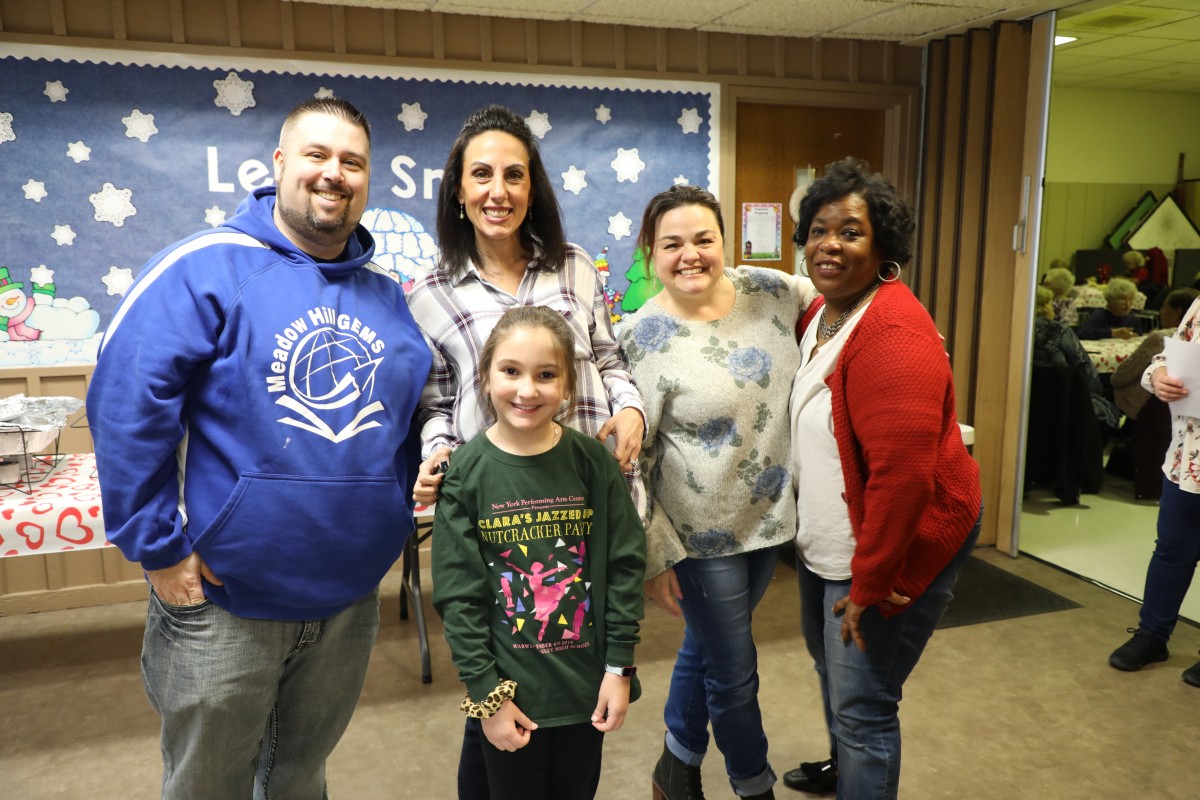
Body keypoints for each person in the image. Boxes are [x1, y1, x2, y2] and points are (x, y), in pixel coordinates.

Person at [85, 98, 432, 798]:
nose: (334, 174)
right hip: (222, 603)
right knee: (208, 786)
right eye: (317, 155)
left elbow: (408, 420)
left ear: (368, 180)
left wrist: (397, 511)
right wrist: (158, 545)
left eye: (352, 162)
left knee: (301, 778)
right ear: (279, 165)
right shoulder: (205, 267)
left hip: (346, 603)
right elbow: (126, 402)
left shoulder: (387, 298)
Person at [405, 104, 646, 800]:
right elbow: (440, 402)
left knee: (578, 659)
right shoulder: (428, 291)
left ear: (533, 186)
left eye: (514, 174)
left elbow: (608, 355)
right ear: (458, 188)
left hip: (588, 490)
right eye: (481, 174)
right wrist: (438, 457)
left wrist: (630, 406)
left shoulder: (572, 265)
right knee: (506, 655)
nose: (498, 190)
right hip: (500, 502)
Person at [782, 159, 982, 799]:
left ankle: (858, 772)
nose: (828, 245)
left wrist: (873, 582)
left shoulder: (894, 334)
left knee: (864, 705)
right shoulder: (825, 313)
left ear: (885, 247)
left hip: (888, 544)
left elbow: (903, 480)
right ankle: (844, 769)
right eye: (817, 230)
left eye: (850, 232)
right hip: (833, 538)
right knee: (833, 675)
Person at [620, 184, 817, 800]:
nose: (691, 255)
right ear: (650, 253)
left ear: (724, 242)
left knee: (705, 648)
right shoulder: (640, 338)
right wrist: (656, 559)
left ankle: (674, 769)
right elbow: (635, 462)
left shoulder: (771, 292)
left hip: (773, 519)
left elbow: (843, 303)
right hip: (701, 537)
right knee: (734, 673)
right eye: (671, 243)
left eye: (704, 239)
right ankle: (751, 785)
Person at [431, 305, 646, 800]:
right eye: (511, 371)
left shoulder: (592, 462)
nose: (527, 390)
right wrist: (487, 695)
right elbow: (458, 597)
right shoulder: (465, 472)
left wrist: (619, 668)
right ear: (485, 378)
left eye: (546, 375)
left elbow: (623, 566)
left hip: (585, 691)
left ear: (568, 385)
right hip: (512, 696)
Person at [1107, 290, 1200, 687]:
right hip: (1187, 458)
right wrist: (1160, 378)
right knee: (1172, 549)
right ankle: (1152, 636)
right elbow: (1167, 359)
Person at [1110, 288, 1199, 499]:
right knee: (1171, 532)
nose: (1160, 310)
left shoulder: (1157, 336)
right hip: (1184, 456)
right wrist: (1159, 375)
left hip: (1158, 421)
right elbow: (1162, 359)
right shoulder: (1197, 307)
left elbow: (1118, 378)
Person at [1031, 286, 1121, 433]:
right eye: (1049, 303)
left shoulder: (1014, 328)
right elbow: (1086, 370)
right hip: (1063, 400)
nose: (1053, 307)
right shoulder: (1059, 330)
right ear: (1043, 307)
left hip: (1028, 400)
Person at [1077, 277, 1144, 340]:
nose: (1128, 304)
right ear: (1110, 300)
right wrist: (1112, 333)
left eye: (1131, 299)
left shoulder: (1133, 319)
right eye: (1122, 299)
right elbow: (1081, 333)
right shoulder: (1100, 315)